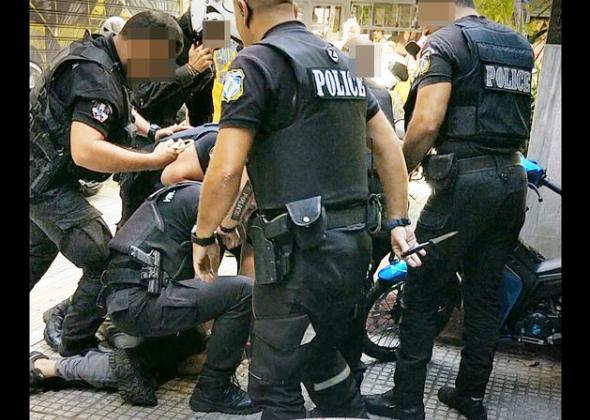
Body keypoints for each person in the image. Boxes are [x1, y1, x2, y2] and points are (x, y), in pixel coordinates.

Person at [192, 0, 417, 418]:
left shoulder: (255, 64)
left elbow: (225, 171)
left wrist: (203, 235)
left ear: (242, 8)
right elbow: (388, 145)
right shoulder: (341, 62)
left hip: (297, 258)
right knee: (318, 355)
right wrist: (399, 220)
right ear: (295, 7)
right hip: (352, 251)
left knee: (272, 382)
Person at [364, 1, 534, 419]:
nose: (421, 18)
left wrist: (398, 173)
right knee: (484, 295)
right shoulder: (518, 44)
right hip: (513, 180)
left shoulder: (446, 41)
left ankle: (406, 401)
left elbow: (425, 122)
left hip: (464, 184)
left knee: (422, 289)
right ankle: (470, 396)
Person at [30, 11, 187, 357]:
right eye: (159, 61)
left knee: (34, 257)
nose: (159, 72)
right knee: (103, 259)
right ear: (141, 46)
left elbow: (120, 106)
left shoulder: (102, 55)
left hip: (44, 177)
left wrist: (153, 132)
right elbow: (86, 150)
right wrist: (154, 159)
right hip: (46, 186)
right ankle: (75, 348)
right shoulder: (96, 74)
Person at [98, 180, 257, 414]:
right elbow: (206, 279)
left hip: (126, 302)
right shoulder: (208, 207)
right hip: (141, 304)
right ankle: (213, 390)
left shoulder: (188, 195)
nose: (247, 216)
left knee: (179, 351)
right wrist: (233, 336)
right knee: (242, 292)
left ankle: (53, 368)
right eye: (248, 209)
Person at [30, 327, 208, 406]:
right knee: (130, 365)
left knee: (173, 361)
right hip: (124, 308)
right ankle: (45, 366)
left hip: (167, 317)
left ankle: (58, 376)